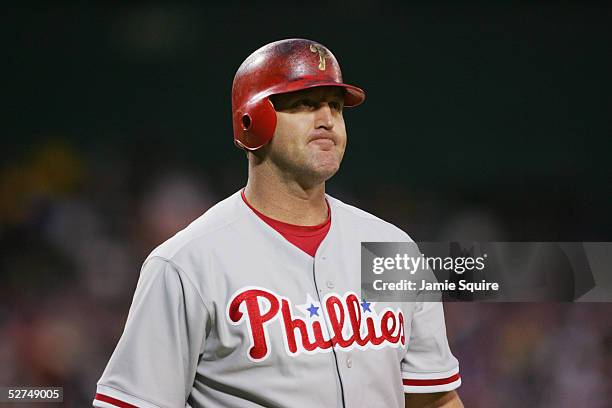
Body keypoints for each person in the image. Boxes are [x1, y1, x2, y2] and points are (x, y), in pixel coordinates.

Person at [93, 38, 463, 408]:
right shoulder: (187, 263)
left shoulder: (393, 248)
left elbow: (435, 400)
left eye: (335, 106)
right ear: (251, 120)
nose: (327, 119)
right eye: (305, 103)